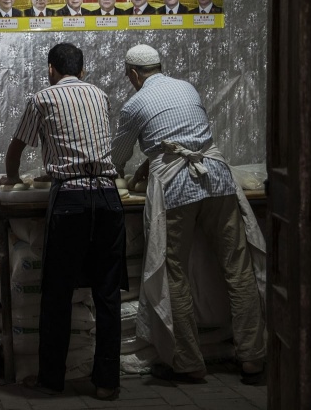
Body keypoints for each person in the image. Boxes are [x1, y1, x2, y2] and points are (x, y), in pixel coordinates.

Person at [110, 44, 265, 386]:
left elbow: (117, 158)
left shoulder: (135, 103)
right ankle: (253, 358)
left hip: (178, 187)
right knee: (237, 269)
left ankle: (189, 362)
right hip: (217, 177)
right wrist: (149, 162)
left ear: (134, 75)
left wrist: (124, 172)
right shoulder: (187, 87)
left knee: (174, 273)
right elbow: (183, 137)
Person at [3, 43, 125, 401]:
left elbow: (16, 149)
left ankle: (51, 380)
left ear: (51, 69)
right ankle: (106, 383)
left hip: (70, 200)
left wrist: (11, 180)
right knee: (107, 294)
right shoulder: (100, 96)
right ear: (83, 71)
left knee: (57, 292)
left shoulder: (43, 97)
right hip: (107, 197)